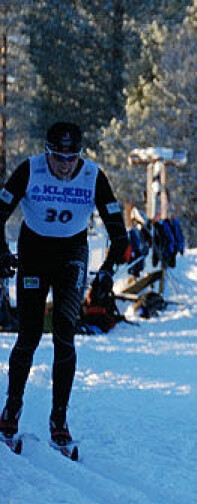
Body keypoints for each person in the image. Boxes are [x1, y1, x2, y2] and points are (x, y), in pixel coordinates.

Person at [0, 122, 128, 449]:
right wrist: (2, 252)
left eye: (72, 158)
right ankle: (11, 410)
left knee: (64, 334)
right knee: (29, 334)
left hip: (72, 253)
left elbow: (119, 233)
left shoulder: (93, 175)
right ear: (47, 152)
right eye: (58, 157)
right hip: (34, 254)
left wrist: (107, 271)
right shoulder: (30, 169)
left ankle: (59, 419)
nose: (65, 165)